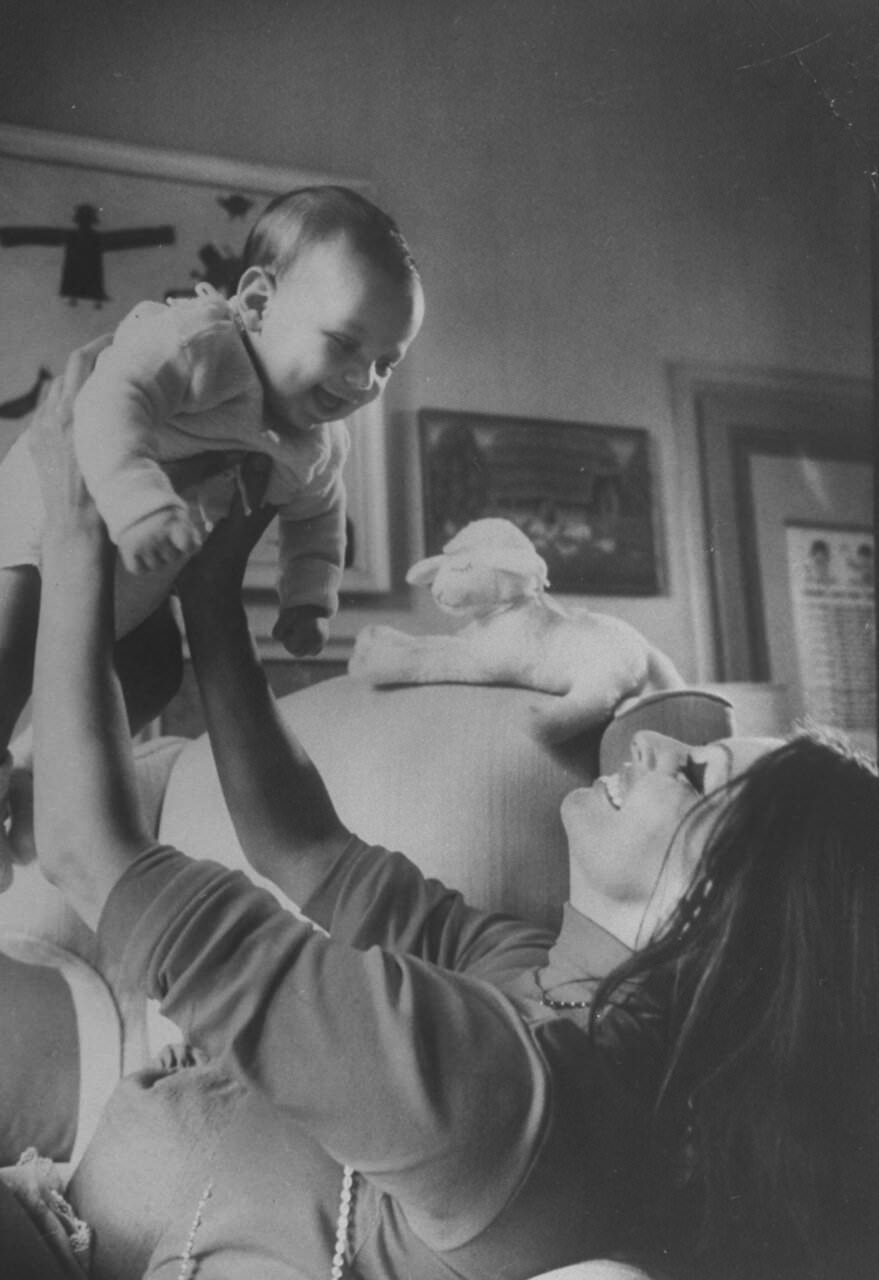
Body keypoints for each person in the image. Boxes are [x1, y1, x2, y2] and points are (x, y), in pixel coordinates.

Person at [22, 349, 879, 1279]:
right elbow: (305, 846)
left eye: (702, 779)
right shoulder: (544, 978)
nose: (655, 745)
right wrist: (214, 597)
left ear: (737, 915)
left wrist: (73, 533)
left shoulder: (512, 1093)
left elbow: (86, 852)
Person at [0, 186, 424, 868]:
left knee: (156, 672)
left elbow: (318, 521)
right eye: (346, 343)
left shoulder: (317, 444)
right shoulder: (198, 342)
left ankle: (36, 777)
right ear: (256, 303)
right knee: (7, 652)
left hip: (136, 585)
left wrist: (309, 598)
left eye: (385, 362)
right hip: (38, 538)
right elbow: (109, 399)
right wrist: (138, 501)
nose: (363, 379)